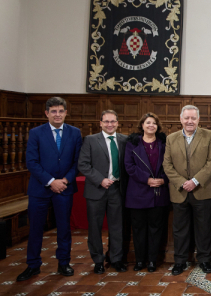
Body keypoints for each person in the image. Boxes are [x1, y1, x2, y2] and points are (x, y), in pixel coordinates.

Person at [17, 97, 82, 282]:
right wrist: (51, 181)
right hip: (40, 189)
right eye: (53, 111)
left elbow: (77, 162)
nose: (57, 114)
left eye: (61, 111)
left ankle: (63, 263)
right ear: (47, 113)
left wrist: (65, 181)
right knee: (36, 229)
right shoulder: (36, 133)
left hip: (65, 188)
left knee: (63, 228)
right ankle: (33, 265)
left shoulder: (75, 133)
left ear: (66, 112)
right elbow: (31, 162)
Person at [163, 105, 211, 275]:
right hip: (179, 191)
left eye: (193, 118)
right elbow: (167, 164)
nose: (189, 121)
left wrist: (195, 181)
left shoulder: (209, 136)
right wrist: (182, 182)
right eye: (186, 118)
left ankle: (205, 260)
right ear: (181, 119)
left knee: (204, 228)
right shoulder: (171, 138)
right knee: (180, 229)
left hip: (203, 190)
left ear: (198, 119)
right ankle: (180, 261)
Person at [78, 110, 128, 274]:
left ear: (117, 123)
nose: (110, 124)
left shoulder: (124, 140)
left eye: (113, 121)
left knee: (117, 227)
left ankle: (116, 259)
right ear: (100, 123)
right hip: (96, 189)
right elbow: (83, 165)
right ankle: (98, 260)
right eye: (106, 121)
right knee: (95, 227)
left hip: (117, 190)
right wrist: (100, 179)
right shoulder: (90, 140)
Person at [123, 113, 170, 273]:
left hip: (159, 192)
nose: (151, 125)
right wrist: (147, 179)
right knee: (138, 229)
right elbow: (129, 166)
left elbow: (171, 164)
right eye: (148, 122)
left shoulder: (164, 143)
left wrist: (163, 179)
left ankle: (152, 261)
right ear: (142, 125)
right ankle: (139, 260)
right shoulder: (132, 144)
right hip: (138, 193)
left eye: (154, 123)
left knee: (156, 229)